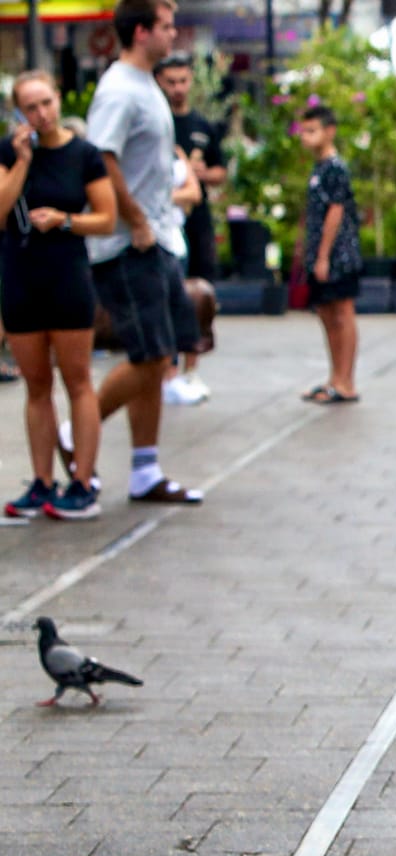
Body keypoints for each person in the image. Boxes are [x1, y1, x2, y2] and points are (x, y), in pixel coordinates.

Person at [84, 0, 203, 505]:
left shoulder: (146, 84)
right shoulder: (117, 90)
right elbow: (100, 156)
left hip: (157, 237)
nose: (173, 34)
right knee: (150, 354)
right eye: (166, 26)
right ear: (139, 32)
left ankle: (144, 469)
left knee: (163, 351)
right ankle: (76, 432)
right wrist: (132, 218)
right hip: (129, 243)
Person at [0, 70, 114, 522]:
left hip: (67, 275)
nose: (41, 114)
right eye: (31, 107)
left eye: (46, 103)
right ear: (18, 111)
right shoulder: (10, 152)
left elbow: (106, 218)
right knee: (36, 385)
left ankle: (82, 481)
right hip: (21, 276)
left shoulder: (83, 154)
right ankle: (41, 481)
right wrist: (23, 162)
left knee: (77, 379)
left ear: (58, 99)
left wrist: (65, 220)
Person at [156, 52, 222, 405]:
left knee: (197, 293)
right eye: (171, 82)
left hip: (195, 222)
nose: (178, 88)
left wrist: (197, 175)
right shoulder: (156, 123)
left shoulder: (202, 126)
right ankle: (167, 370)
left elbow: (219, 171)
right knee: (166, 295)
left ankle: (190, 369)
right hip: (163, 226)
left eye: (183, 81)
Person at [297, 105, 361, 405]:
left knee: (342, 313)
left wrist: (324, 256)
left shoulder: (335, 168)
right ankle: (334, 377)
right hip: (319, 254)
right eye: (304, 131)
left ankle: (346, 381)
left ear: (329, 131)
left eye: (313, 131)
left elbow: (336, 212)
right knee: (326, 313)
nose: (306, 138)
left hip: (339, 256)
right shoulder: (318, 168)